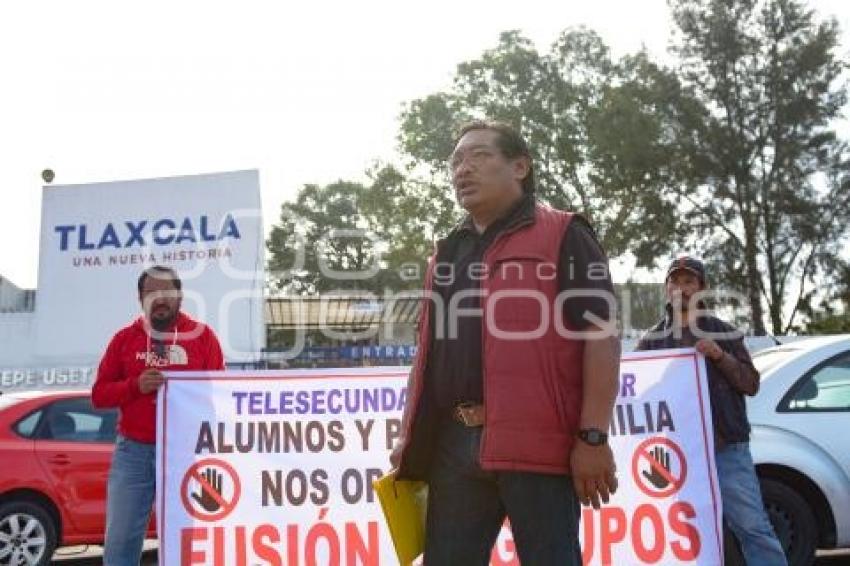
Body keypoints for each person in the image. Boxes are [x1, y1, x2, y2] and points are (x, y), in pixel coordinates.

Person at [390, 120, 621, 565]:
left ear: (520, 166)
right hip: (453, 447)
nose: (463, 169)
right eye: (456, 161)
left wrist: (592, 437)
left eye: (479, 156)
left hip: (538, 445)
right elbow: (428, 356)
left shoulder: (565, 234)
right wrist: (408, 434)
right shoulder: (446, 253)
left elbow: (601, 336)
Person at [635, 256, 787, 566]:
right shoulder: (650, 342)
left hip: (726, 448)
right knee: (687, 533)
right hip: (676, 456)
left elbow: (751, 384)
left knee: (752, 527)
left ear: (702, 289)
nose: (681, 288)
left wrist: (720, 355)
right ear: (666, 289)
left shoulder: (725, 333)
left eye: (689, 281)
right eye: (674, 281)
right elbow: (636, 394)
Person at [92, 266, 224, 565]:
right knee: (121, 540)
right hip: (133, 452)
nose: (160, 299)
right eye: (152, 292)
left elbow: (220, 396)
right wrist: (134, 386)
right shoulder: (124, 339)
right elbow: (99, 395)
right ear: (141, 298)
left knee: (187, 538)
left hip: (186, 453)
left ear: (179, 296)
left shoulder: (203, 338)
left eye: (166, 292)